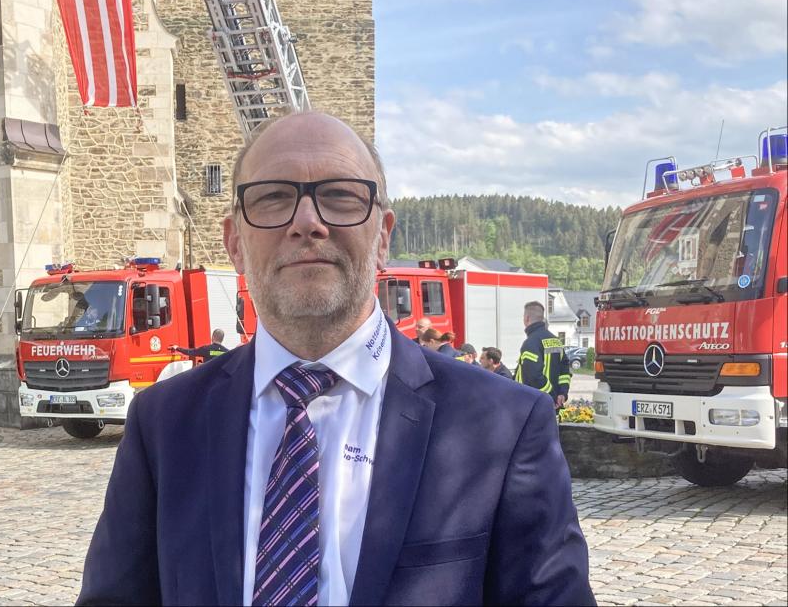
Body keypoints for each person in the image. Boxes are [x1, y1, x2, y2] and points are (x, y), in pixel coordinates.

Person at [77, 112, 594, 606]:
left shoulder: (501, 425)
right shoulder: (164, 424)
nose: (307, 222)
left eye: (340, 197)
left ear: (383, 234)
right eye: (274, 197)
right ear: (234, 241)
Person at [515, 300, 572, 410]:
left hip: (534, 404)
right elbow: (565, 370)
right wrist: (562, 393)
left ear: (526, 319)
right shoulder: (556, 340)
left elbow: (535, 376)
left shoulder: (530, 343)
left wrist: (551, 396)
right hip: (552, 405)